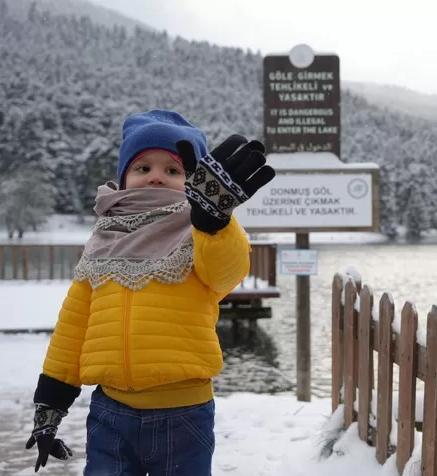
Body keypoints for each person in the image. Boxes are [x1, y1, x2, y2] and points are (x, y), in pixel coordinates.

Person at [24, 109, 276, 475]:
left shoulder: (201, 232)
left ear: (195, 180)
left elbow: (227, 272)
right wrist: (50, 404)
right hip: (110, 411)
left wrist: (215, 223)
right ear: (124, 177)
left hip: (184, 413)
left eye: (172, 171)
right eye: (143, 168)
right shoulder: (103, 239)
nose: (156, 177)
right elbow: (73, 327)